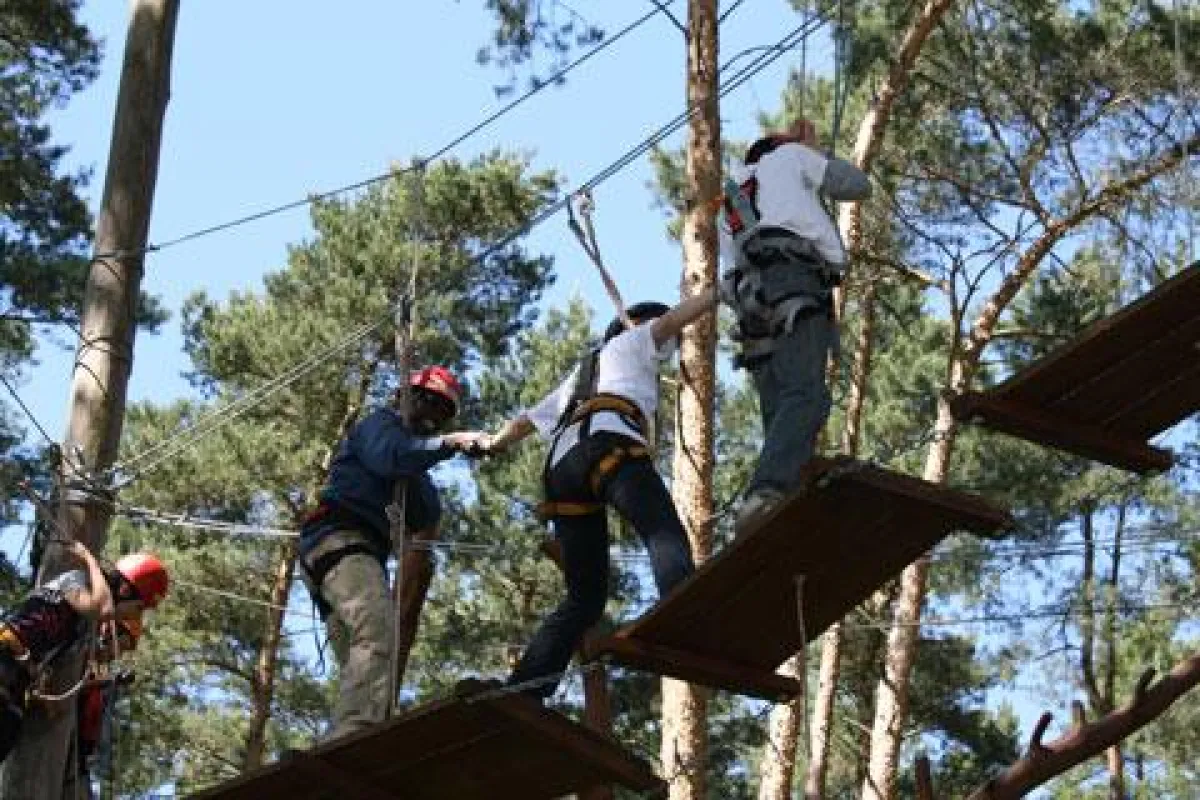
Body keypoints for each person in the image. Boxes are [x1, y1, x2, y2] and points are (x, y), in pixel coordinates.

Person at [479, 292, 716, 700]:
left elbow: (523, 423)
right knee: (663, 531)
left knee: (585, 598)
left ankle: (525, 689)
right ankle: (686, 619)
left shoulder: (580, 376)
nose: (667, 346)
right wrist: (720, 292)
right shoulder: (633, 339)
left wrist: (491, 443)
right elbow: (673, 320)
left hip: (562, 470)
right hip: (608, 444)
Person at [297, 365, 484, 740]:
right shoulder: (379, 426)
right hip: (341, 541)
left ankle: (358, 729)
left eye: (442, 412)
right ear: (405, 397)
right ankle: (355, 734)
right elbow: (390, 457)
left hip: (348, 553)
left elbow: (425, 511)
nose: (432, 416)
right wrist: (448, 444)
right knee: (378, 631)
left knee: (364, 657)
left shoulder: (411, 467)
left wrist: (475, 447)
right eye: (428, 402)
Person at [718, 117, 871, 534]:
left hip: (751, 303)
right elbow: (857, 185)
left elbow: (728, 275)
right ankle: (767, 493)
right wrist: (815, 152)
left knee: (783, 407)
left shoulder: (730, 203)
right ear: (778, 145)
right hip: (794, 282)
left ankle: (776, 506)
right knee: (806, 394)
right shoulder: (788, 157)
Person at [0, 543, 168, 763]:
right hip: (5, 655)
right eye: (137, 608)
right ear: (125, 591)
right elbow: (103, 608)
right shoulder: (77, 579)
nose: (133, 616)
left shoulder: (83, 627)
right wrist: (89, 558)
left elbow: (50, 661)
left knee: (7, 732)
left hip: (16, 679)